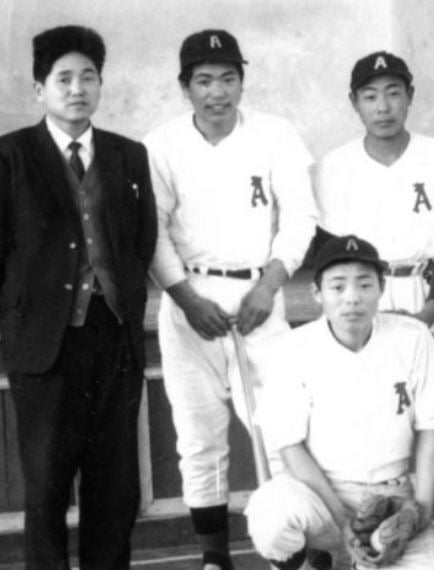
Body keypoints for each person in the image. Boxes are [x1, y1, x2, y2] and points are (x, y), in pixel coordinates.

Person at [0, 25, 157, 569]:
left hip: (113, 339)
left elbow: (140, 242)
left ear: (100, 85)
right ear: (38, 89)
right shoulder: (8, 156)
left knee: (113, 487)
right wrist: (24, 316)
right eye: (63, 78)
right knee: (46, 487)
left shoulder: (127, 156)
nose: (77, 89)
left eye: (88, 77)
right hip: (45, 348)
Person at [143, 29, 316, 570]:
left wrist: (269, 285)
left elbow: (301, 217)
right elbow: (152, 231)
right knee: (197, 436)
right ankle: (215, 556)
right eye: (204, 81)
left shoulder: (276, 134)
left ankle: (291, 549)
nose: (217, 92)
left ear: (242, 80)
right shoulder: (161, 143)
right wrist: (185, 297)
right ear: (184, 87)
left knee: (280, 430)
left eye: (227, 79)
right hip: (188, 298)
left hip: (258, 296)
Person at [245, 235, 434, 569]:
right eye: (338, 286)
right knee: (270, 515)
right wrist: (344, 526)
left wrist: (420, 514)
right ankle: (311, 560)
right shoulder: (294, 348)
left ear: (381, 288)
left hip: (393, 499)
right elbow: (290, 447)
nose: (352, 298)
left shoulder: (412, 337)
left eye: (364, 285)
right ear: (317, 294)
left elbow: (432, 431)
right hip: (322, 496)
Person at [312, 50, 434, 377]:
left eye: (393, 93)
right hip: (364, 292)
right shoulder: (334, 167)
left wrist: (431, 308)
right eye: (370, 96)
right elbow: (331, 251)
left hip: (430, 290)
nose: (383, 107)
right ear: (354, 101)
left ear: (410, 96)